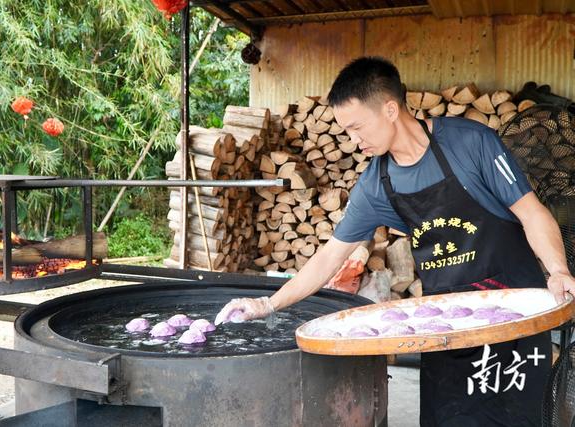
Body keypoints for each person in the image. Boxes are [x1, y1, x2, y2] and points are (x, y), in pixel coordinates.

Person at [215, 56, 575, 426]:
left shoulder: (471, 144)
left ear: (389, 109)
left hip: (514, 318)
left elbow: (532, 213)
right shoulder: (376, 185)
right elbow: (329, 257)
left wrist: (559, 270)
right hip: (446, 332)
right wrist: (268, 304)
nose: (354, 142)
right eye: (346, 132)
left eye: (357, 128)